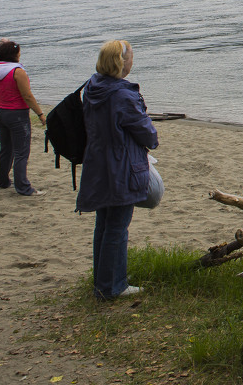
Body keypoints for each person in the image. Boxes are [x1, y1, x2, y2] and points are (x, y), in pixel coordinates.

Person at [77, 40, 158, 301]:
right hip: (121, 164)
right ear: (121, 61)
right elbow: (146, 132)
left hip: (98, 161)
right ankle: (113, 286)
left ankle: (104, 280)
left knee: (104, 223)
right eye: (131, 56)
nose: (132, 60)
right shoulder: (122, 94)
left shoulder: (93, 87)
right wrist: (152, 139)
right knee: (117, 227)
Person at [0, 40, 46, 195]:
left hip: (2, 111)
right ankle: (23, 187)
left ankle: (2, 180)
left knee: (6, 149)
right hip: (18, 114)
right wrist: (40, 114)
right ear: (14, 54)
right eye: (18, 52)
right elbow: (27, 95)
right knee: (21, 152)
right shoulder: (17, 71)